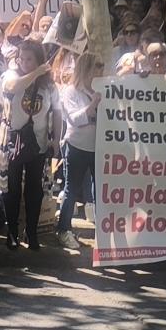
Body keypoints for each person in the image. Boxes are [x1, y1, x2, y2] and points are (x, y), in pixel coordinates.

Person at [0, 41, 58, 250]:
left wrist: (56, 140)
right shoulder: (11, 75)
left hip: (39, 142)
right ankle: (12, 231)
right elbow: (13, 87)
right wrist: (35, 72)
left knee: (34, 190)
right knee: (12, 188)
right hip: (14, 141)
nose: (24, 63)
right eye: (21, 58)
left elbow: (56, 112)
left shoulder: (49, 85)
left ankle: (31, 233)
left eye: (29, 59)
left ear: (39, 60)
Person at [55, 53, 101, 250]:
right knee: (71, 189)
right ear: (86, 69)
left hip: (99, 147)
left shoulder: (102, 89)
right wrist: (93, 107)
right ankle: (64, 229)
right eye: (96, 66)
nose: (100, 70)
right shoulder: (70, 91)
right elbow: (73, 119)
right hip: (77, 147)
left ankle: (103, 230)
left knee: (100, 189)